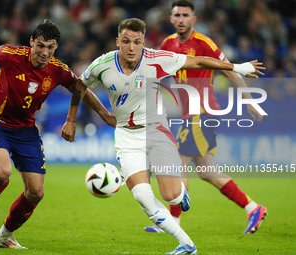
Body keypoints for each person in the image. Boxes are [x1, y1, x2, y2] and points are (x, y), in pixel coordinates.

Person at [62, 18, 264, 255]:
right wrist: (77, 118)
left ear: (143, 42)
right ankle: (187, 244)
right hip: (126, 137)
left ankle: (181, 194)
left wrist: (237, 67)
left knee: (171, 195)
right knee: (143, 196)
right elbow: (79, 86)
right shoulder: (102, 64)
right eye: (126, 41)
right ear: (118, 41)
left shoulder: (156, 59)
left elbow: (198, 61)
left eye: (137, 42)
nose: (131, 47)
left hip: (156, 132)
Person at [0, 19, 115, 249]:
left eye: (50, 47)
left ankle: (5, 234)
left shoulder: (58, 70)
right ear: (31, 42)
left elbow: (80, 87)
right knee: (2, 173)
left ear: (56, 47)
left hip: (27, 132)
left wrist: (101, 113)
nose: (45, 52)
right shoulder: (10, 55)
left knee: (36, 193)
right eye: (40, 45)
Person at [144, 0, 268, 236]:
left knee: (177, 163)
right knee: (206, 171)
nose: (181, 19)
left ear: (194, 19)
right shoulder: (167, 43)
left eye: (185, 15)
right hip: (188, 113)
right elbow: (158, 74)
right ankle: (253, 208)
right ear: (171, 19)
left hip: (202, 112)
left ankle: (173, 221)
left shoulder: (204, 43)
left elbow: (229, 69)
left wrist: (249, 100)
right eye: (177, 15)